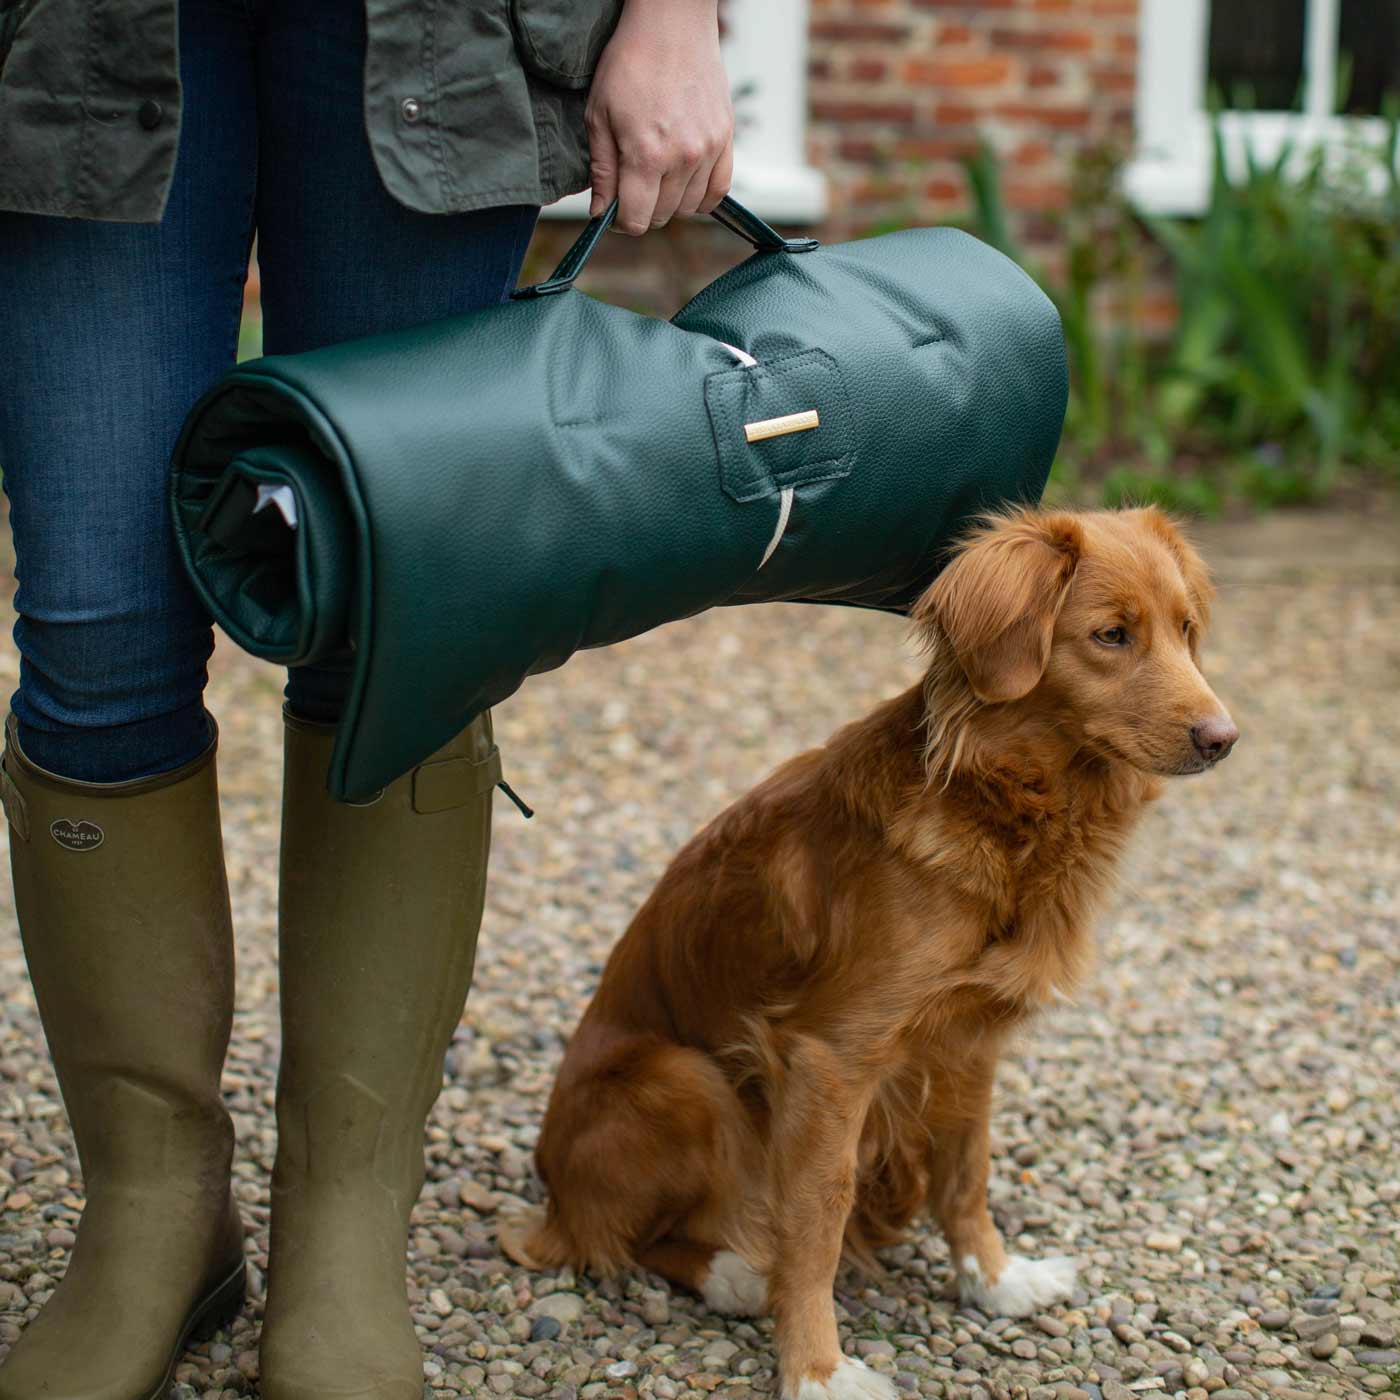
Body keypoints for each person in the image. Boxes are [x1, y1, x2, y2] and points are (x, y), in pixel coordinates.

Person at [0, 1, 734, 1396]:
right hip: (78, 32)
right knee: (95, 639)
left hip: (426, 30)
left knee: (401, 617)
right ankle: (155, 1206)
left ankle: (346, 1222)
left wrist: (674, 13)